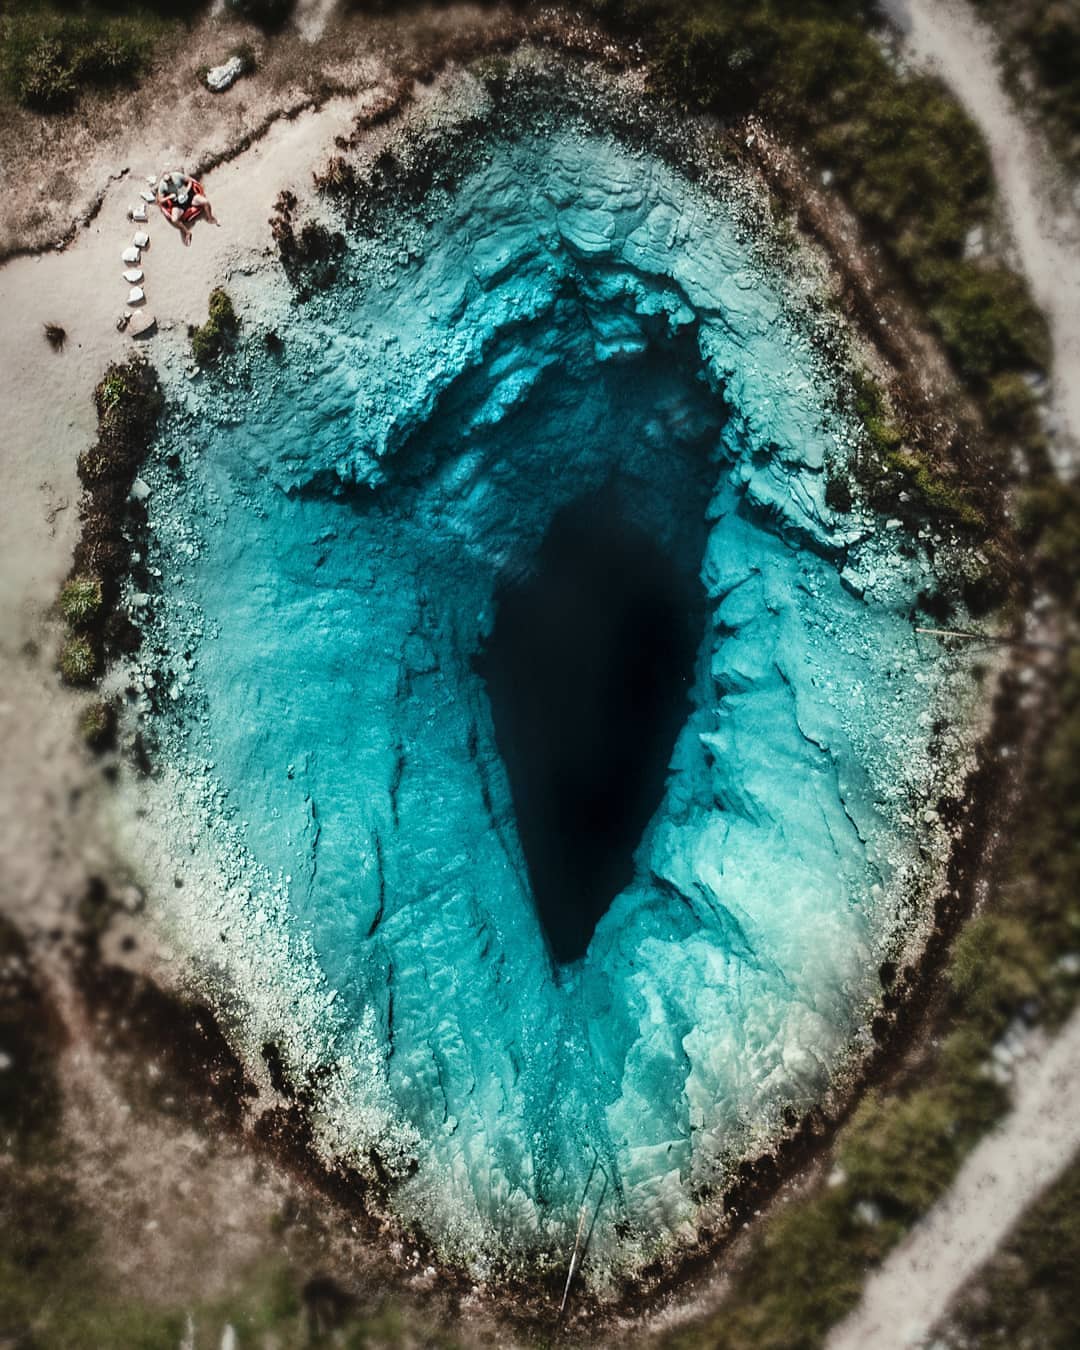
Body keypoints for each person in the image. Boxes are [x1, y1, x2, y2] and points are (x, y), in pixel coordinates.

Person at [156, 170, 220, 246]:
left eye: (170, 180)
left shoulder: (177, 175)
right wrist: (169, 197)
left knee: (206, 202)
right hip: (178, 204)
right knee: (174, 219)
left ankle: (210, 218)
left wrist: (186, 190)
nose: (169, 182)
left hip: (189, 197)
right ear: (164, 180)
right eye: (167, 181)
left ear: (171, 176)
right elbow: (160, 200)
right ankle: (187, 232)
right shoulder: (162, 185)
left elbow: (190, 181)